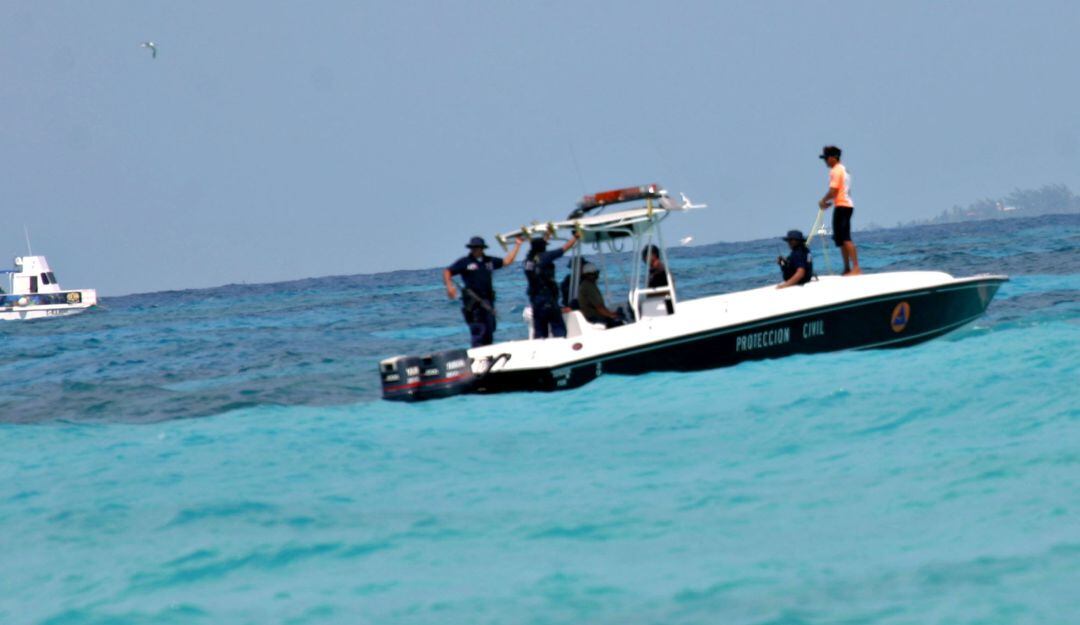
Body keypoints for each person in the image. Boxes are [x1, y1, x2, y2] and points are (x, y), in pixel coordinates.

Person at [443, 235, 523, 347]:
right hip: (473, 303)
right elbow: (447, 271)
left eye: (477, 247)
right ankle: (478, 356)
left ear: (482, 248)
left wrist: (517, 245)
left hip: (488, 302)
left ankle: (489, 356)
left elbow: (507, 261)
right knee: (479, 331)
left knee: (489, 330)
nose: (475, 250)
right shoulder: (465, 262)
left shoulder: (489, 261)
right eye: (473, 248)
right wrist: (449, 286)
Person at [523, 233, 579, 338]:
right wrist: (575, 237)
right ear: (542, 247)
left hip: (535, 300)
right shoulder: (545, 256)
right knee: (558, 329)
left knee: (540, 332)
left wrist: (547, 234)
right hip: (547, 299)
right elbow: (564, 249)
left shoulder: (528, 261)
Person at [817, 145, 861, 275]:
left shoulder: (836, 171)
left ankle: (856, 268)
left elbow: (833, 190)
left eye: (826, 158)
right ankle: (847, 268)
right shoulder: (844, 170)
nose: (825, 161)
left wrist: (823, 201)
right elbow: (843, 190)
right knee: (840, 239)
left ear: (833, 158)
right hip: (843, 204)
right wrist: (831, 202)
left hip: (843, 206)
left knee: (845, 238)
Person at [577, 263, 623, 327]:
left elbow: (600, 307)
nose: (597, 275)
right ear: (590, 275)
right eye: (595, 273)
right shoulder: (588, 287)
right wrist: (611, 315)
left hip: (594, 316)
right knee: (619, 322)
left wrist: (611, 313)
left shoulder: (588, 285)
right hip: (594, 318)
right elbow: (599, 307)